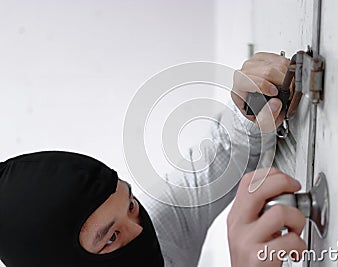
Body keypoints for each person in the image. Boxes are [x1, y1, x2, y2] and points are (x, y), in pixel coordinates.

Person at [0, 52, 306, 267]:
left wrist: (254, 102)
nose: (142, 233)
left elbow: (228, 155)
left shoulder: (155, 229)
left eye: (130, 205)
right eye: (111, 238)